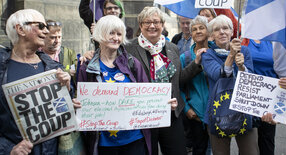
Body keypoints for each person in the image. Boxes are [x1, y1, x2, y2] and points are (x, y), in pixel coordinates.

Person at [124, 6, 203, 155]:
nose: (152, 26)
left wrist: (197, 63)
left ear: (162, 24)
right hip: (144, 116)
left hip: (172, 114)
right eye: (147, 22)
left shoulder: (172, 48)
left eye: (156, 22)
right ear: (140, 25)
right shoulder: (128, 48)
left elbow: (179, 79)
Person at [78, 15, 154, 155]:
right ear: (100, 35)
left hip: (134, 138)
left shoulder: (133, 63)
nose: (116, 38)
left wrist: (164, 104)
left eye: (119, 34)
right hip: (104, 142)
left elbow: (147, 96)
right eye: (111, 33)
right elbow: (79, 101)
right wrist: (77, 104)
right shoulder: (87, 67)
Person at [0, 9, 71, 155]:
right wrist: (8, 149)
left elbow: (62, 113)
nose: (46, 31)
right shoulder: (2, 69)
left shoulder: (53, 67)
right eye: (40, 26)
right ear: (20, 29)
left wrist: (68, 91)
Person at [201, 15, 259, 155]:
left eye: (225, 28)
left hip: (244, 109)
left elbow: (250, 79)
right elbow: (220, 75)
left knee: (250, 152)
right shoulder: (208, 55)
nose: (222, 32)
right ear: (212, 35)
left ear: (232, 31)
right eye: (217, 29)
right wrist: (231, 55)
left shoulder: (244, 51)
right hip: (219, 111)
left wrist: (241, 67)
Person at [179, 15, 210, 155]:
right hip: (195, 115)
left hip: (215, 112)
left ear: (208, 31)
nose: (198, 31)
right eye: (194, 29)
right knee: (199, 150)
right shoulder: (184, 57)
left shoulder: (218, 53)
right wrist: (186, 109)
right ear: (190, 33)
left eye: (201, 28)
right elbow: (178, 86)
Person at [242, 39, 277, 155]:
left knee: (267, 138)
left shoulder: (275, 42)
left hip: (270, 96)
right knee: (245, 141)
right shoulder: (242, 40)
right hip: (248, 96)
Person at [41, 20, 77, 96]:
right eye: (53, 37)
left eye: (59, 37)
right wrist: (67, 71)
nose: (57, 41)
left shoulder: (69, 53)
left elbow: (77, 75)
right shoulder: (36, 55)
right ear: (43, 37)